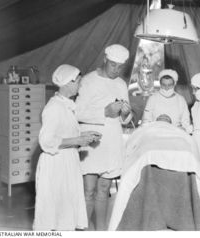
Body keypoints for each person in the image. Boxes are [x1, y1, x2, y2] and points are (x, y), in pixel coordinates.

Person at [33, 64, 101, 231]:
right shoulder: (54, 107)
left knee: (66, 211)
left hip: (67, 161)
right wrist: (77, 140)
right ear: (68, 83)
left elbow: (65, 133)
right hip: (55, 163)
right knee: (53, 212)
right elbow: (46, 141)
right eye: (78, 81)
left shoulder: (66, 105)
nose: (80, 85)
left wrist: (84, 136)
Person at [75, 44, 132, 230]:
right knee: (89, 191)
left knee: (104, 190)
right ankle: (83, 230)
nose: (117, 70)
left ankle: (101, 231)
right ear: (105, 60)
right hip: (92, 140)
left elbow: (126, 118)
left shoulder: (121, 84)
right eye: (113, 65)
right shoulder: (88, 81)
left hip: (112, 140)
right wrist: (104, 112)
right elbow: (78, 113)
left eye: (120, 66)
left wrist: (125, 113)